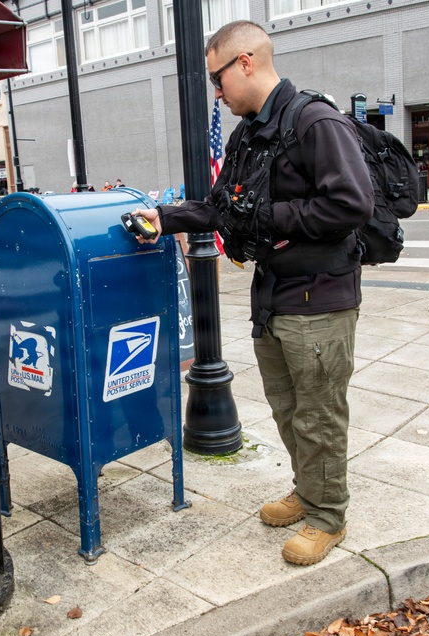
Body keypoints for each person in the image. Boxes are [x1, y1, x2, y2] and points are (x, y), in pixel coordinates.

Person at [131, 20, 373, 566]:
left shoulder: (315, 123)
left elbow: (352, 203)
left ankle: (329, 516)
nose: (216, 92)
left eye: (217, 78)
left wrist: (270, 215)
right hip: (274, 295)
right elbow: (222, 207)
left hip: (321, 297)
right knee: (289, 410)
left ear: (245, 62)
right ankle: (309, 492)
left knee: (318, 414)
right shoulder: (247, 136)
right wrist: (165, 217)